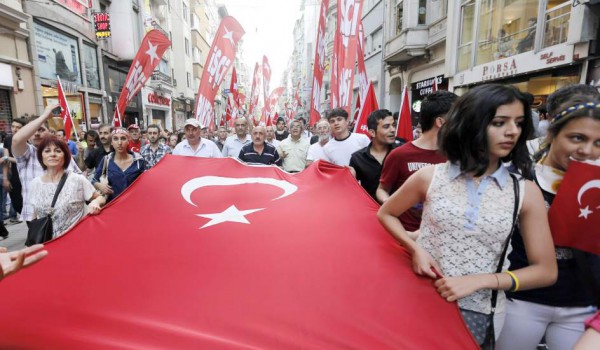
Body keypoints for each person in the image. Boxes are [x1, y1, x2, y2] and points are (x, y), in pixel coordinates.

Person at [378, 84, 558, 346]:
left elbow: (545, 271)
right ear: (471, 123)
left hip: (481, 312)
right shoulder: (430, 177)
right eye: (499, 122)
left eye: (519, 123)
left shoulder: (525, 191)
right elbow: (386, 214)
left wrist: (481, 281)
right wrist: (414, 248)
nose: (512, 131)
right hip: (417, 299)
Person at [497, 95, 600, 350]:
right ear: (552, 133)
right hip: (520, 301)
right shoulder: (514, 178)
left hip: (581, 307)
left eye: (598, 143)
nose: (586, 150)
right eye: (577, 138)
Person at [376, 91, 457, 232]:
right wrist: (389, 203)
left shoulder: (457, 156)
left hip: (441, 236)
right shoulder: (399, 155)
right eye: (457, 117)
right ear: (440, 122)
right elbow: (382, 189)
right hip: (405, 236)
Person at [12, 104, 81, 226]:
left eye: (41, 129)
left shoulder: (62, 154)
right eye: (33, 130)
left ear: (50, 132)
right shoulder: (26, 154)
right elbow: (17, 140)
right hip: (37, 217)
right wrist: (44, 116)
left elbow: (79, 180)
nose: (36, 134)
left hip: (68, 215)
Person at [30, 136, 104, 238]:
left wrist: (96, 202)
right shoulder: (35, 183)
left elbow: (100, 197)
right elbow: (34, 216)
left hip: (77, 239)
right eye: (47, 151)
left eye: (58, 151)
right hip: (48, 243)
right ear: (41, 156)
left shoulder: (77, 179)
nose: (52, 154)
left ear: (65, 155)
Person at [349, 109, 397, 200]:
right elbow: (352, 189)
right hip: (369, 211)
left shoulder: (402, 152)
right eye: (386, 127)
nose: (392, 130)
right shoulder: (357, 158)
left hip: (399, 211)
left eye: (394, 125)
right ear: (372, 132)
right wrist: (349, 177)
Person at [93, 128, 146, 202]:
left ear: (128, 141)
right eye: (115, 139)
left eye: (123, 138)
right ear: (111, 142)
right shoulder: (106, 160)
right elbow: (94, 180)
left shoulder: (138, 161)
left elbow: (146, 183)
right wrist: (99, 185)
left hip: (134, 203)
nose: (119, 143)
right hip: (113, 204)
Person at [3, 117, 27, 221]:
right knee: (17, 204)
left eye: (18, 127)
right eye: (13, 126)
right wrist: (5, 178)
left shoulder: (27, 139)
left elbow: (24, 159)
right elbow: (5, 161)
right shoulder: (8, 139)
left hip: (26, 173)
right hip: (14, 175)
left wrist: (7, 158)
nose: (14, 129)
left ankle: (34, 228)